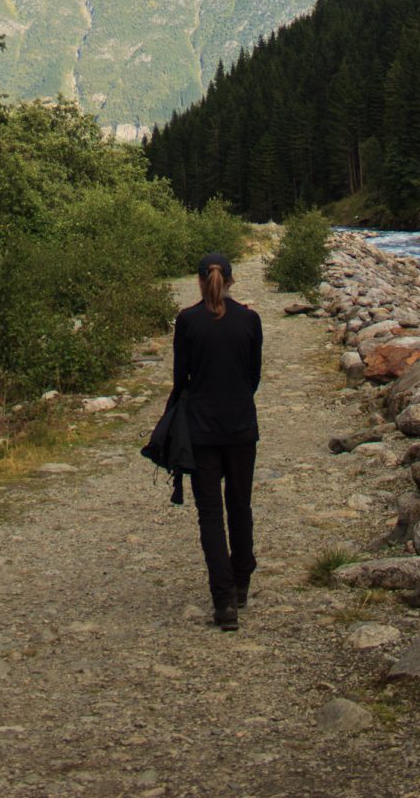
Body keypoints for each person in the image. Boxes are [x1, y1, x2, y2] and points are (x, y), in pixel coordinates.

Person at [170, 250, 262, 631]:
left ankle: (224, 601)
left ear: (199, 280)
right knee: (239, 506)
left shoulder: (188, 321)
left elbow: (181, 379)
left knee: (210, 515)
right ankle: (241, 582)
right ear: (231, 280)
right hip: (241, 426)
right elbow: (254, 376)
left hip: (201, 430)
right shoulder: (250, 320)